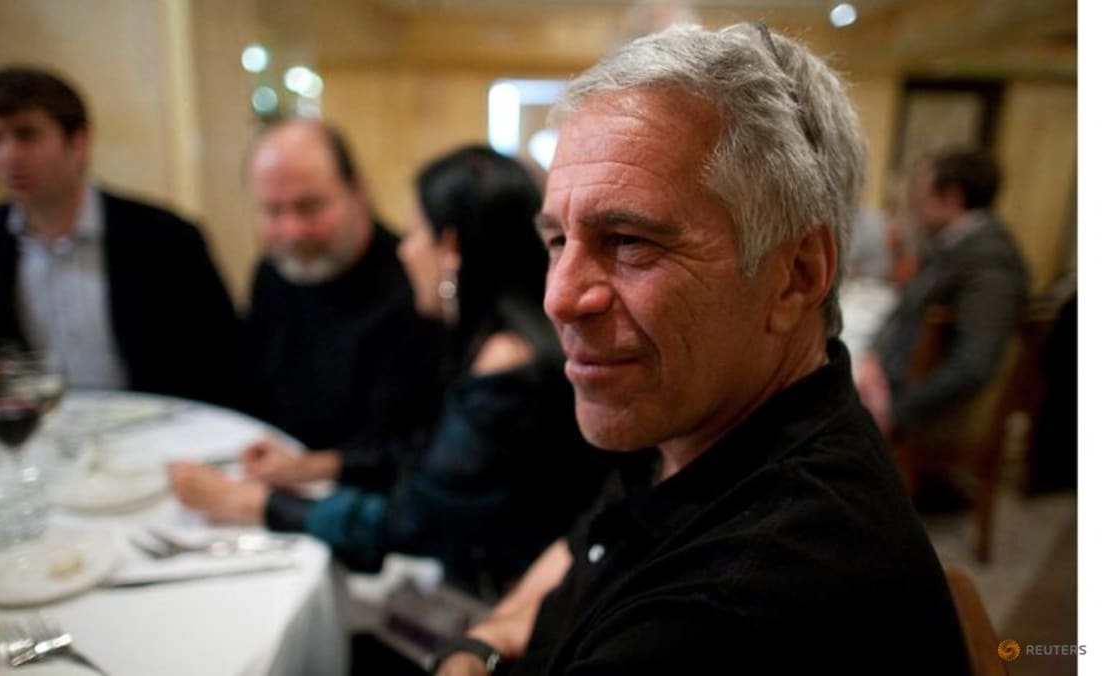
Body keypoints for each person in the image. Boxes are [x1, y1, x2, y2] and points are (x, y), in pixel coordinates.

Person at [432, 23, 969, 675]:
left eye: (629, 240)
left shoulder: (736, 607)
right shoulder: (698, 420)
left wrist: (464, 653)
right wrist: (487, 640)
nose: (559, 298)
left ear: (796, 275)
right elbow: (586, 544)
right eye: (557, 241)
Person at [171, 145, 608, 598]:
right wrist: (309, 467)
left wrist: (256, 503)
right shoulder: (498, 337)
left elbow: (417, 521)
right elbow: (433, 459)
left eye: (415, 233)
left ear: (450, 248)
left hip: (509, 595)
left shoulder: (507, 361)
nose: (405, 250)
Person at [0, 66, 241, 406]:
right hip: (42, 421)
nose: (7, 156)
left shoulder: (164, 236)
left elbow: (223, 359)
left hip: (150, 422)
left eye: (26, 135)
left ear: (78, 142)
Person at [238, 119, 445, 487]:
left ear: (357, 192)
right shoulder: (270, 273)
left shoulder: (414, 288)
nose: (291, 231)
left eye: (309, 207)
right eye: (272, 211)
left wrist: (309, 467)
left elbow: (416, 448)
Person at [857, 149, 1029, 438]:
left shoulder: (989, 261)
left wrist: (895, 415)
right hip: (884, 384)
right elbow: (905, 308)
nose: (914, 202)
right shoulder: (955, 245)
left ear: (951, 197)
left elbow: (975, 364)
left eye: (920, 192)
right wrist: (874, 359)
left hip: (912, 415)